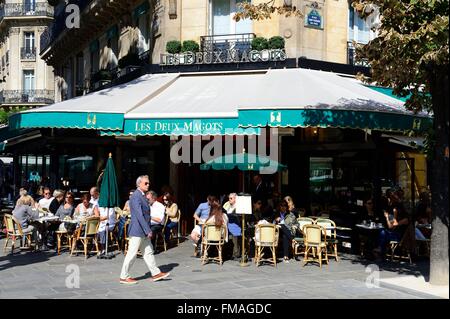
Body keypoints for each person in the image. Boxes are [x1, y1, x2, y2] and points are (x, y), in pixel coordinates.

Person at [119, 175, 170, 284]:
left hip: (142, 230)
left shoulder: (141, 195)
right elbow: (139, 215)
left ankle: (156, 273)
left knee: (148, 252)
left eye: (148, 183)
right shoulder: (136, 196)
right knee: (132, 254)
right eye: (145, 183)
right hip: (138, 230)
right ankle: (124, 276)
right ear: (139, 184)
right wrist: (148, 230)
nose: (148, 184)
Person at [374, 190, 410, 258]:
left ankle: (380, 250)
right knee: (382, 233)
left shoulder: (395, 211)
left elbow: (391, 227)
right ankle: (381, 250)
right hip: (399, 235)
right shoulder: (401, 211)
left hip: (398, 236)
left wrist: (387, 217)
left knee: (382, 232)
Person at [223, 193, 241, 260]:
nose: (229, 200)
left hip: (235, 227)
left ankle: (236, 254)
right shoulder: (227, 205)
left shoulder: (238, 207)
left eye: (231, 198)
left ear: (235, 199)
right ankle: (228, 253)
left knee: (235, 239)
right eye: (229, 198)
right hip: (227, 226)